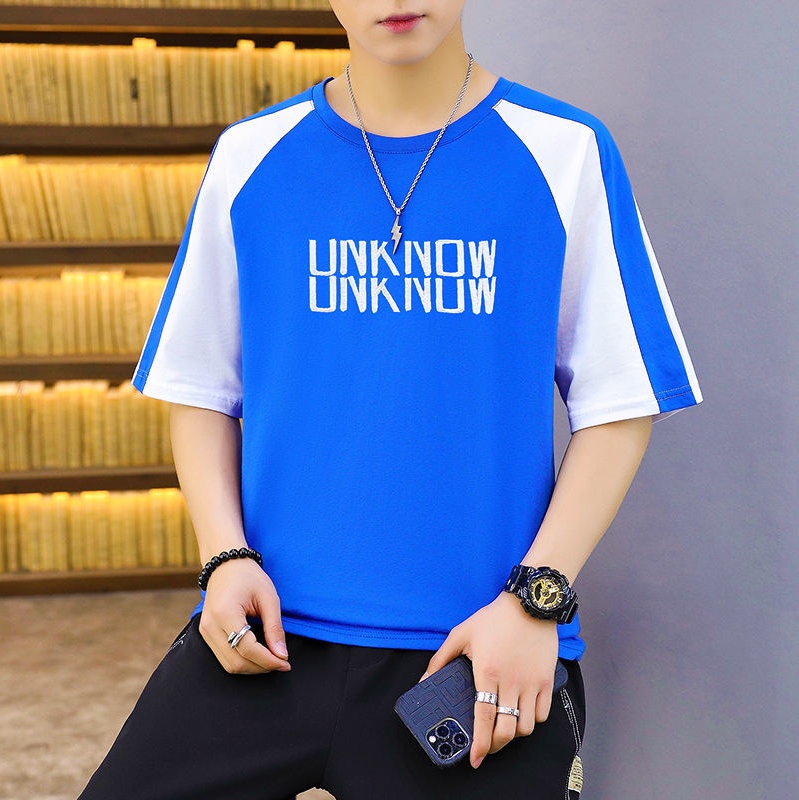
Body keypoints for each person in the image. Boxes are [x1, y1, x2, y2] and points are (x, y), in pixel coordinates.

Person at [78, 2, 701, 798]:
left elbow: (619, 401)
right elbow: (201, 388)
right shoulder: (252, 156)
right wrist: (224, 558)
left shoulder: (564, 151)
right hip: (270, 631)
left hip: (476, 651)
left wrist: (535, 603)